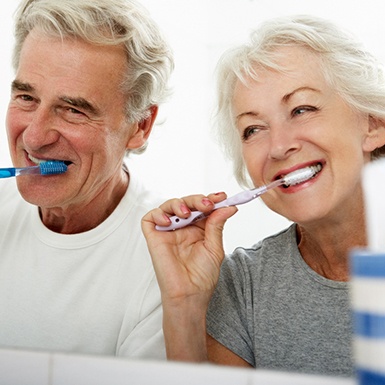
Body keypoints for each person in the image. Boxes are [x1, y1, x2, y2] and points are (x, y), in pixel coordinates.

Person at [142, 15, 385, 376]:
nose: (279, 147)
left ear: (374, 124)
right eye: (253, 129)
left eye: (302, 109)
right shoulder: (242, 283)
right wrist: (185, 305)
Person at [0, 0, 173, 358]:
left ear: (140, 125)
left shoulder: (166, 263)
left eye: (74, 110)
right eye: (26, 97)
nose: (33, 137)